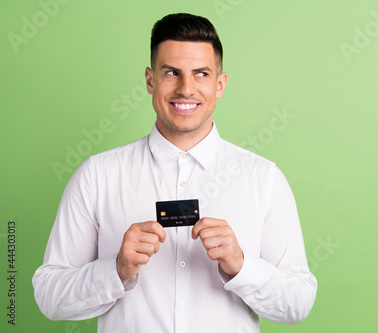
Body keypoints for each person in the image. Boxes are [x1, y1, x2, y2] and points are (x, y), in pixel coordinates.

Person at [33, 13, 317, 332]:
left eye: (201, 73)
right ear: (150, 79)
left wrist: (242, 265)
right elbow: (49, 296)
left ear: (219, 84)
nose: (186, 88)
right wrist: (115, 270)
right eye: (172, 72)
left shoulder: (263, 179)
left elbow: (299, 302)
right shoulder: (97, 175)